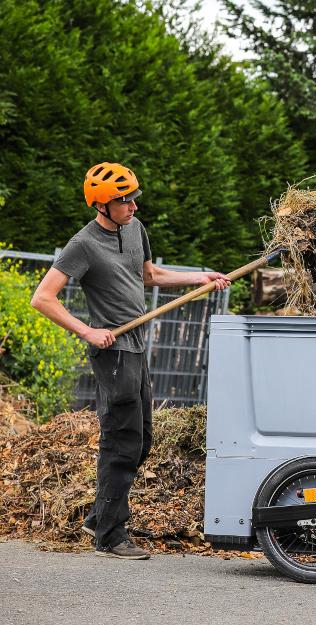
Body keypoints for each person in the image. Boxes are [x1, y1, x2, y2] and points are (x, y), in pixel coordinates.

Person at [31, 162, 229, 560]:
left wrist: (199, 278)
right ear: (101, 205)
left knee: (142, 439)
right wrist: (88, 331)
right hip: (113, 351)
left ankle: (100, 515)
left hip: (136, 346)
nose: (134, 207)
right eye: (125, 201)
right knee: (122, 440)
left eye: (134, 198)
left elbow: (149, 275)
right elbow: (42, 298)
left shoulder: (135, 229)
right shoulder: (83, 244)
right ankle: (110, 535)